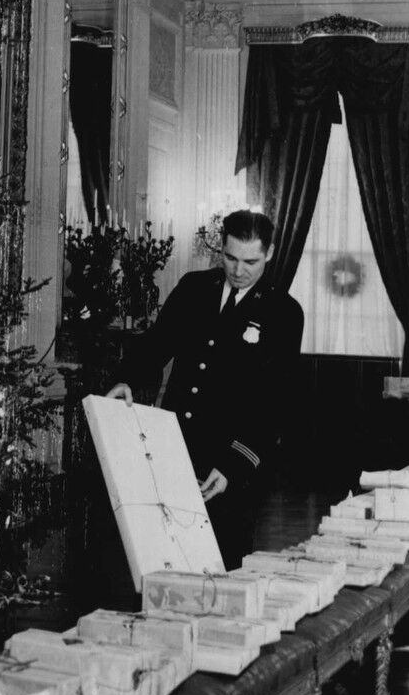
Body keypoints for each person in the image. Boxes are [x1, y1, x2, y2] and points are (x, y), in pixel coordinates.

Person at [106, 209, 304, 568]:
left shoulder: (284, 313)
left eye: (250, 261)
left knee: (219, 566)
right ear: (220, 249)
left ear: (270, 253)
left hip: (230, 463)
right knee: (160, 560)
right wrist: (127, 380)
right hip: (175, 448)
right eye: (230, 258)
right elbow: (155, 345)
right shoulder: (194, 288)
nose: (238, 270)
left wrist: (234, 466)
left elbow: (276, 403)